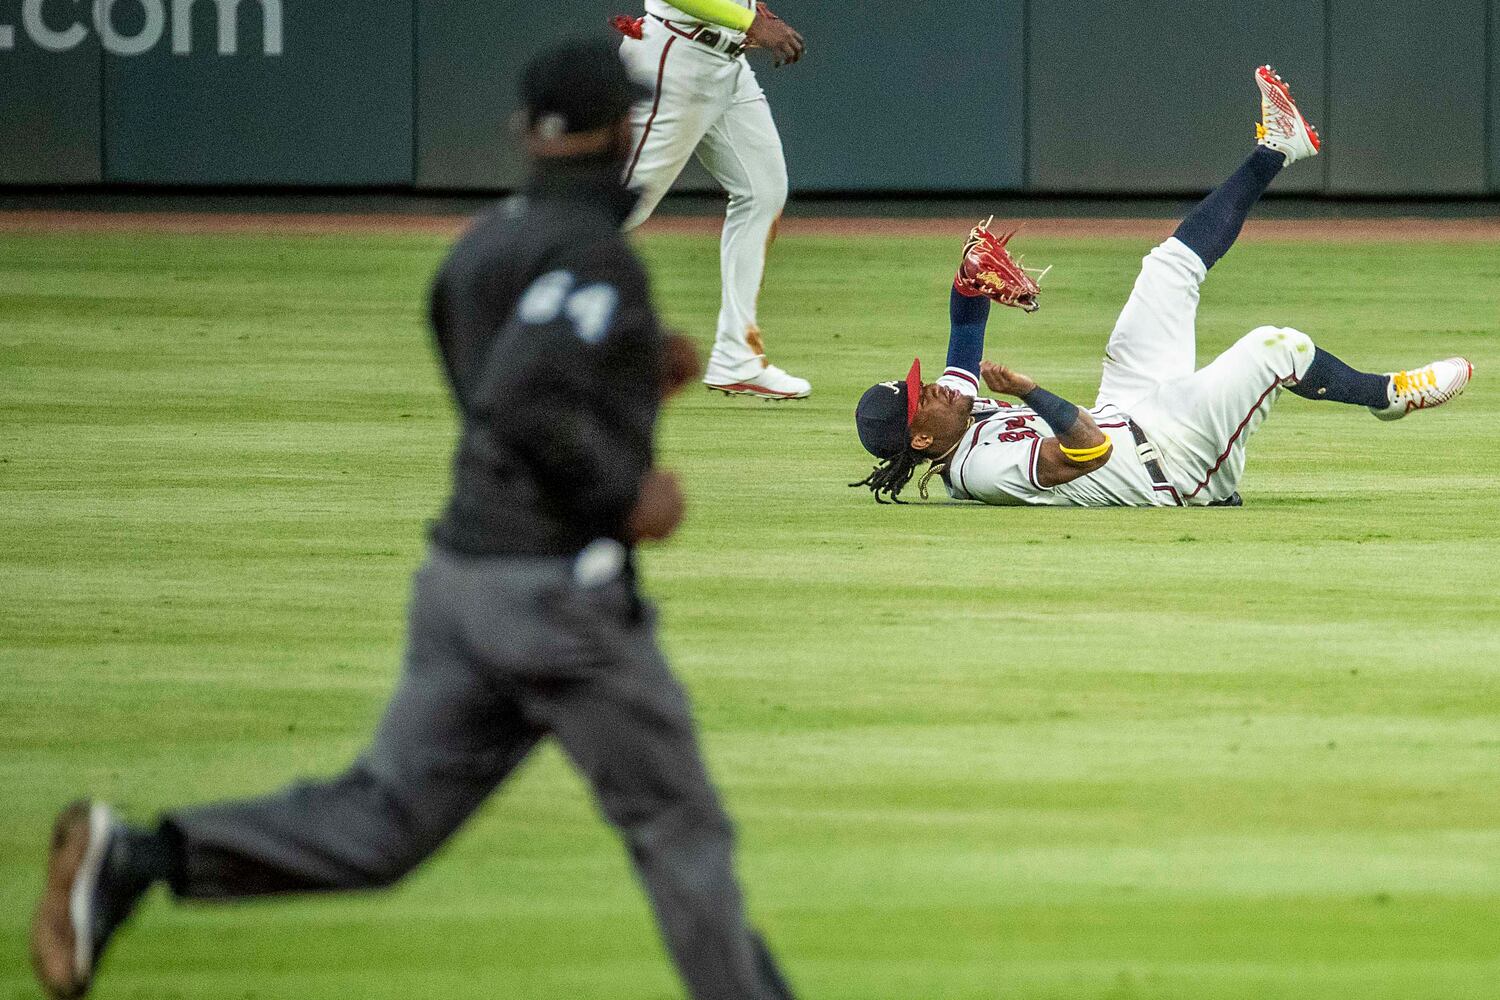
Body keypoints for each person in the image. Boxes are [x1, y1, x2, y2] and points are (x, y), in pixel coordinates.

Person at [31, 39, 795, 1000]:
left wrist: (634, 377)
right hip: (558, 605)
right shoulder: (597, 256)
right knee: (679, 833)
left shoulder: (477, 253)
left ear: (524, 133)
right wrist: (621, 491)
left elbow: (497, 390)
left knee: (382, 827)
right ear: (625, 130)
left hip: (459, 589)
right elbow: (524, 402)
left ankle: (134, 860)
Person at [851, 66, 1474, 507]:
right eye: (919, 397)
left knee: (1166, 269)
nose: (930, 385)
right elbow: (1088, 453)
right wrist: (1032, 391)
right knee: (1274, 346)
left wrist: (967, 280)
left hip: (1135, 410)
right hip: (1174, 467)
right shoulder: (983, 469)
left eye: (918, 382)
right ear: (922, 437)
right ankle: (1387, 395)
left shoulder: (952, 415)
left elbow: (965, 328)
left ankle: (1277, 150)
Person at [613, 0, 812, 399]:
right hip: (675, 56)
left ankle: (737, 356)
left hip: (726, 61)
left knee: (762, 190)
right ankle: (515, 296)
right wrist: (749, 20)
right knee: (616, 207)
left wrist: (750, 10)